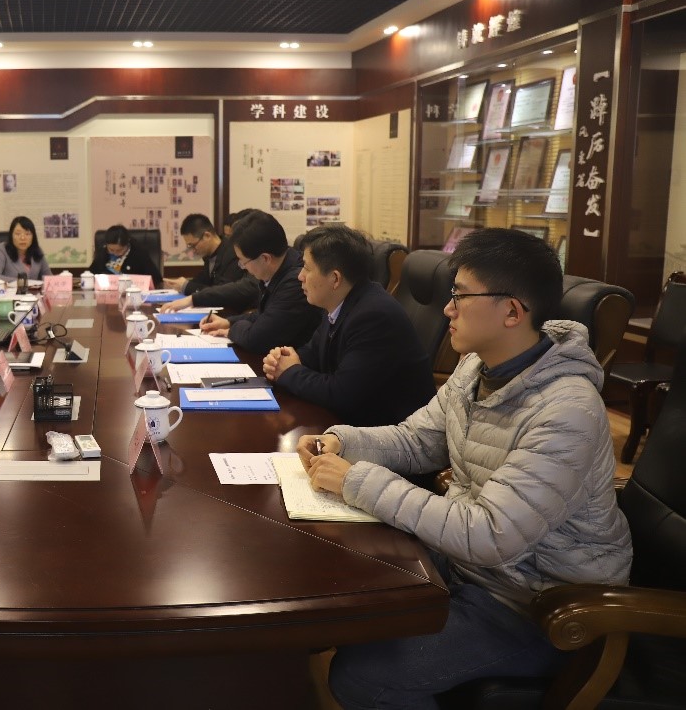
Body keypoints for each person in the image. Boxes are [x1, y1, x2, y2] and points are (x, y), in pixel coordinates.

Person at [296, 228, 631, 708]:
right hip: (470, 570)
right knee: (336, 591)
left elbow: (491, 534)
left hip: (538, 605)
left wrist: (356, 479)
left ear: (512, 311)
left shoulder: (567, 411)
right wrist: (343, 441)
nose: (447, 309)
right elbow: (417, 440)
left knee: (364, 677)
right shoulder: (476, 367)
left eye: (460, 296)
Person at [262, 224, 435, 426]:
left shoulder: (374, 316)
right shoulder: (340, 302)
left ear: (335, 279)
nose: (300, 276)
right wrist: (282, 360)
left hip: (395, 434)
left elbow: (340, 394)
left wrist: (289, 372)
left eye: (307, 268)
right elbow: (313, 354)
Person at [198, 210, 320, 354]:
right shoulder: (282, 269)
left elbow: (256, 339)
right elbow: (265, 315)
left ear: (265, 258)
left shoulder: (296, 282)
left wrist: (232, 330)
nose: (243, 267)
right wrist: (228, 322)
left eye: (243, 262)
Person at [159, 213, 259, 315]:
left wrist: (188, 288)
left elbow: (224, 291)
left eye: (193, 245)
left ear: (207, 236)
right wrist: (182, 285)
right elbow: (203, 282)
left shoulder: (232, 254)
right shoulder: (209, 256)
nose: (193, 250)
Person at [88, 224, 163, 286]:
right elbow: (90, 275)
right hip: (107, 293)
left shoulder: (139, 253)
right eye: (111, 250)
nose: (115, 253)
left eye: (119, 250)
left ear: (127, 244)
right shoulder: (103, 252)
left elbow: (156, 279)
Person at [0, 215, 53, 281]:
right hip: (10, 288)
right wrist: (21, 282)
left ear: (33, 237)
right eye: (18, 234)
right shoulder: (2, 249)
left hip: (34, 288)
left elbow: (49, 277)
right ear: (11, 236)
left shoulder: (37, 250)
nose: (22, 238)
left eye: (27, 234)